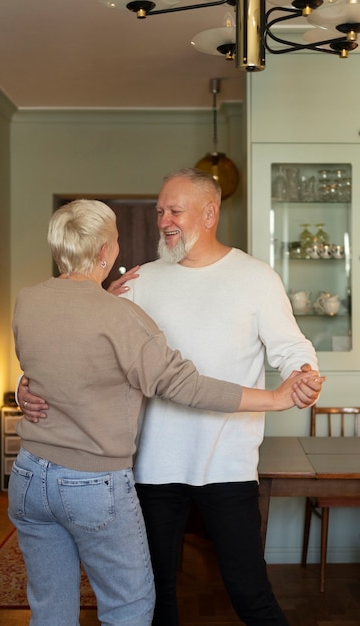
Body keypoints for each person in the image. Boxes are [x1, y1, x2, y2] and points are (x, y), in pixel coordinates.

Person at [17, 174, 324, 626]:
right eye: (160, 211)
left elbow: (292, 347)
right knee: (155, 597)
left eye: (174, 211)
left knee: (249, 592)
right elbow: (83, 345)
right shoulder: (140, 280)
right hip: (151, 465)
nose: (164, 221)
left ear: (209, 213)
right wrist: (30, 384)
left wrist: (303, 375)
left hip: (227, 461)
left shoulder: (256, 277)